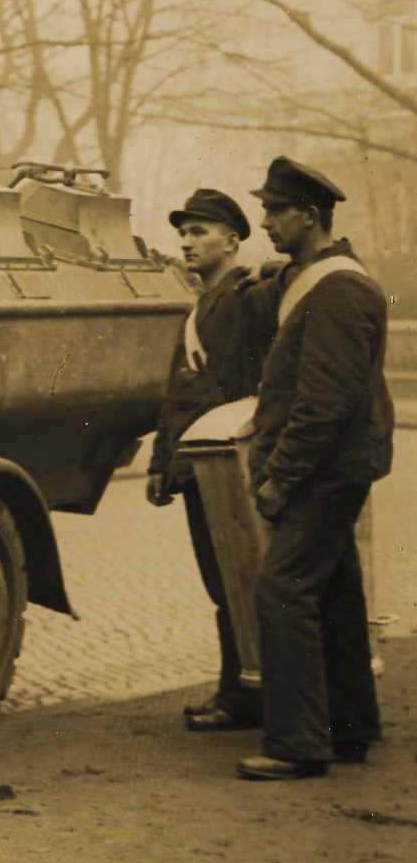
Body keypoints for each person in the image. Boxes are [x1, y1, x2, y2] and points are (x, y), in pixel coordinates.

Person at [233, 156, 393, 781]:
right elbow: (262, 307)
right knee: (335, 593)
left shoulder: (340, 288)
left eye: (277, 211)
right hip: (333, 466)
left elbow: (327, 402)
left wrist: (281, 476)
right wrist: (274, 269)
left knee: (283, 590)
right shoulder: (316, 276)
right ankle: (350, 729)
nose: (266, 220)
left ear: (311, 215)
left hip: (322, 470)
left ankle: (298, 743)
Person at [143, 188, 266, 734]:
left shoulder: (243, 298)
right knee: (223, 585)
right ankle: (238, 690)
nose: (187, 243)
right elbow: (178, 393)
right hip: (197, 464)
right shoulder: (201, 304)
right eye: (183, 234)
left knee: (238, 582)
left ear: (233, 240)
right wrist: (159, 463)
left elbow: (241, 389)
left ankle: (245, 697)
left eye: (200, 232)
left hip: (226, 461)